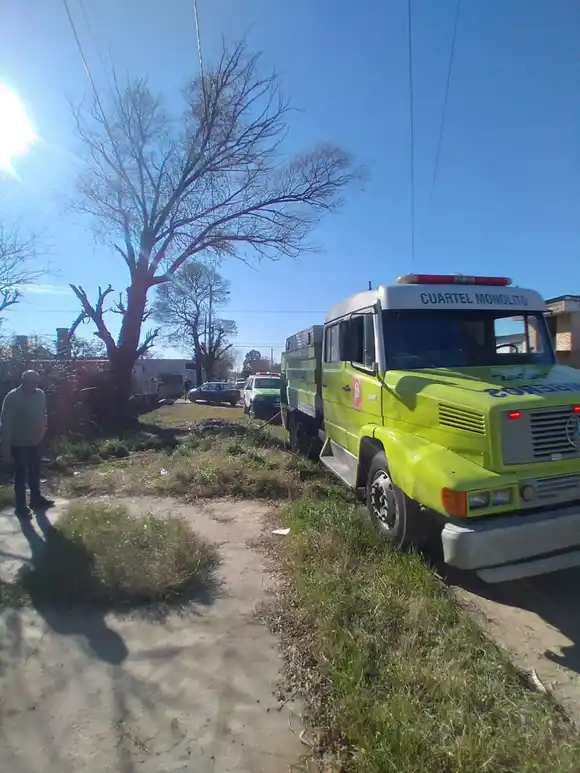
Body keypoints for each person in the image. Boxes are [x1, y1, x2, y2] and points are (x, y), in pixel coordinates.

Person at [0, 370, 54, 519]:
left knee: (35, 472)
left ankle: (36, 499)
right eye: (31, 382)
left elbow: (43, 413)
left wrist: (43, 428)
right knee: (21, 475)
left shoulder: (40, 394)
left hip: (36, 441)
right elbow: (6, 423)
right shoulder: (12, 397)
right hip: (19, 443)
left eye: (36, 382)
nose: (34, 385)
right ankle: (20, 507)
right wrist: (5, 447)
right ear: (23, 381)